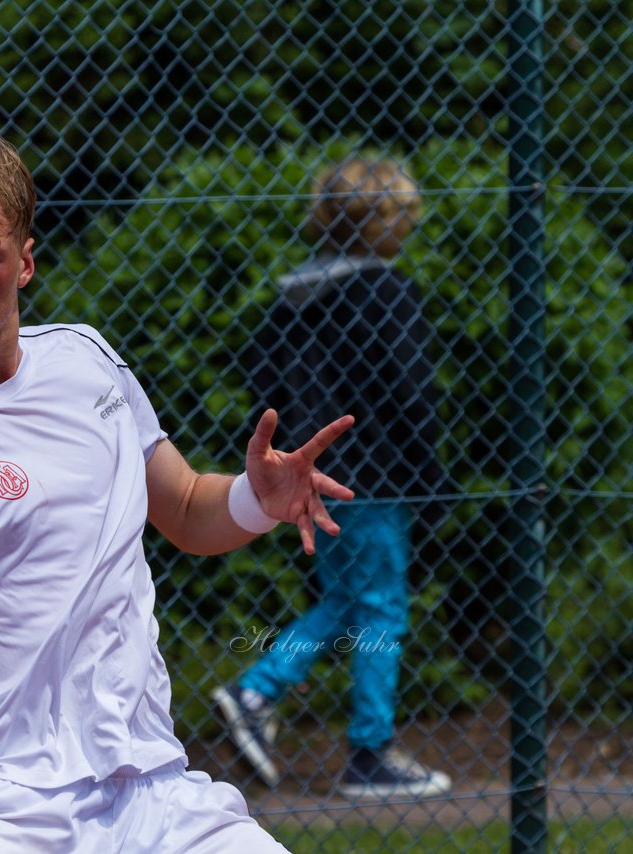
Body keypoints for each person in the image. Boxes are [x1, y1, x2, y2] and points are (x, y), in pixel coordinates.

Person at [0, 127, 355, 852]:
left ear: (25, 263)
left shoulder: (86, 361)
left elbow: (179, 508)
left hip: (156, 787)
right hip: (4, 809)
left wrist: (255, 499)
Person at [211, 157, 451, 800]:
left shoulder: (294, 296)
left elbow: (262, 384)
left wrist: (288, 462)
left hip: (311, 475)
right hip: (377, 478)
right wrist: (431, 477)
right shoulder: (386, 291)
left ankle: (256, 690)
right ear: (388, 221)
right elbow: (411, 393)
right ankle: (369, 753)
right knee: (380, 608)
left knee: (348, 602)